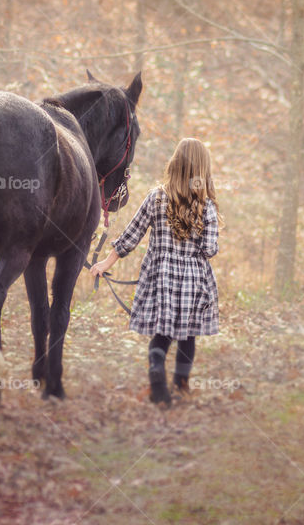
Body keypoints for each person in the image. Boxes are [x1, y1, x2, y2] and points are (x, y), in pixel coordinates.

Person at [90, 138, 220, 406]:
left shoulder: (156, 197)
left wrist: (105, 263)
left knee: (161, 336)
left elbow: (131, 236)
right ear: (202, 170)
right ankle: (181, 385)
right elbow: (209, 249)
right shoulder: (206, 206)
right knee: (187, 336)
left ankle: (159, 388)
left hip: (160, 279)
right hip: (193, 283)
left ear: (174, 164)